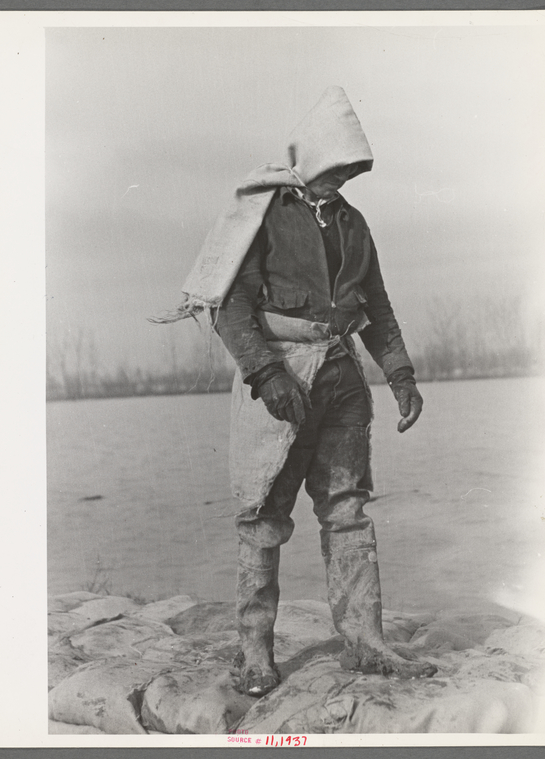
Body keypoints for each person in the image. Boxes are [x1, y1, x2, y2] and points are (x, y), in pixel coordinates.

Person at [158, 86, 437, 697]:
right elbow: (230, 306)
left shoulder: (353, 224)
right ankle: (256, 654)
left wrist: (400, 376)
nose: (342, 179)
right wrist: (266, 374)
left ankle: (366, 644)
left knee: (348, 513)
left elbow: (379, 307)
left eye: (351, 171)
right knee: (261, 518)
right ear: (313, 159)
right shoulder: (263, 215)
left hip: (341, 380)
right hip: (278, 382)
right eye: (336, 167)